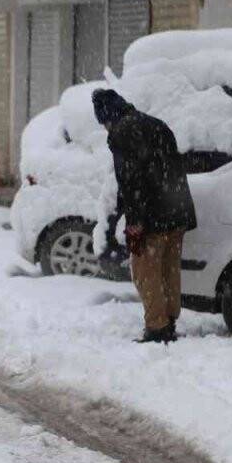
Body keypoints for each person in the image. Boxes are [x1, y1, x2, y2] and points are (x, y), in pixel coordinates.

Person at [92, 88, 197, 344]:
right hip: (177, 210)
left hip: (152, 216)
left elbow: (131, 183)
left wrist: (136, 223)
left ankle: (157, 328)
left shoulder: (122, 133)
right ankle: (169, 319)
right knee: (169, 269)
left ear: (107, 118)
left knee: (145, 272)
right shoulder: (156, 124)